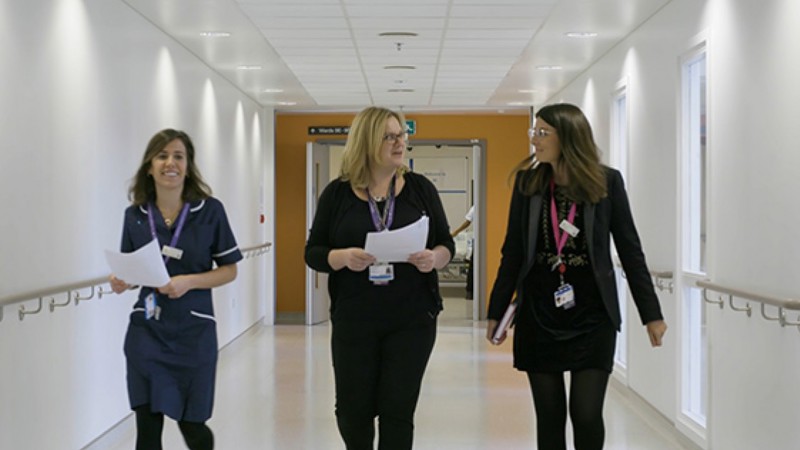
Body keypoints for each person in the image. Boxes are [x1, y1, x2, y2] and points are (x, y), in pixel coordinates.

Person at [486, 103, 667, 450]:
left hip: (592, 314)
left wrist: (652, 314)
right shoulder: (529, 183)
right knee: (550, 415)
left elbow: (630, 249)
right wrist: (497, 311)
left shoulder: (606, 182)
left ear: (567, 136)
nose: (534, 140)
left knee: (585, 413)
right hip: (539, 312)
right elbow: (513, 252)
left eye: (542, 133)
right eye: (533, 132)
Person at [305, 106, 455, 450]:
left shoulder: (420, 190)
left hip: (412, 319)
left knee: (397, 411)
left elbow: (445, 244)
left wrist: (434, 258)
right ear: (367, 142)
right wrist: (340, 257)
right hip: (355, 319)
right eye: (390, 136)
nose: (399, 142)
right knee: (352, 412)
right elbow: (313, 252)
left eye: (402, 135)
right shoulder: (337, 194)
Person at [109, 129, 242, 450]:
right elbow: (133, 269)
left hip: (193, 332)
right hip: (147, 331)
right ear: (150, 166)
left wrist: (190, 281)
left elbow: (229, 270)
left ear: (188, 165)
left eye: (178, 156)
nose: (171, 163)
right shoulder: (135, 217)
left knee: (193, 425)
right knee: (147, 427)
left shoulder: (210, 211)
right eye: (162, 156)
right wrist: (121, 281)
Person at [450, 205, 475, 299]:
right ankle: (470, 291)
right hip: (479, 240)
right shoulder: (477, 207)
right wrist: (456, 232)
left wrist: (456, 232)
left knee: (473, 267)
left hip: (479, 240)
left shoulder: (475, 207)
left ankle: (470, 291)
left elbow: (467, 222)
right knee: (473, 267)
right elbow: (467, 222)